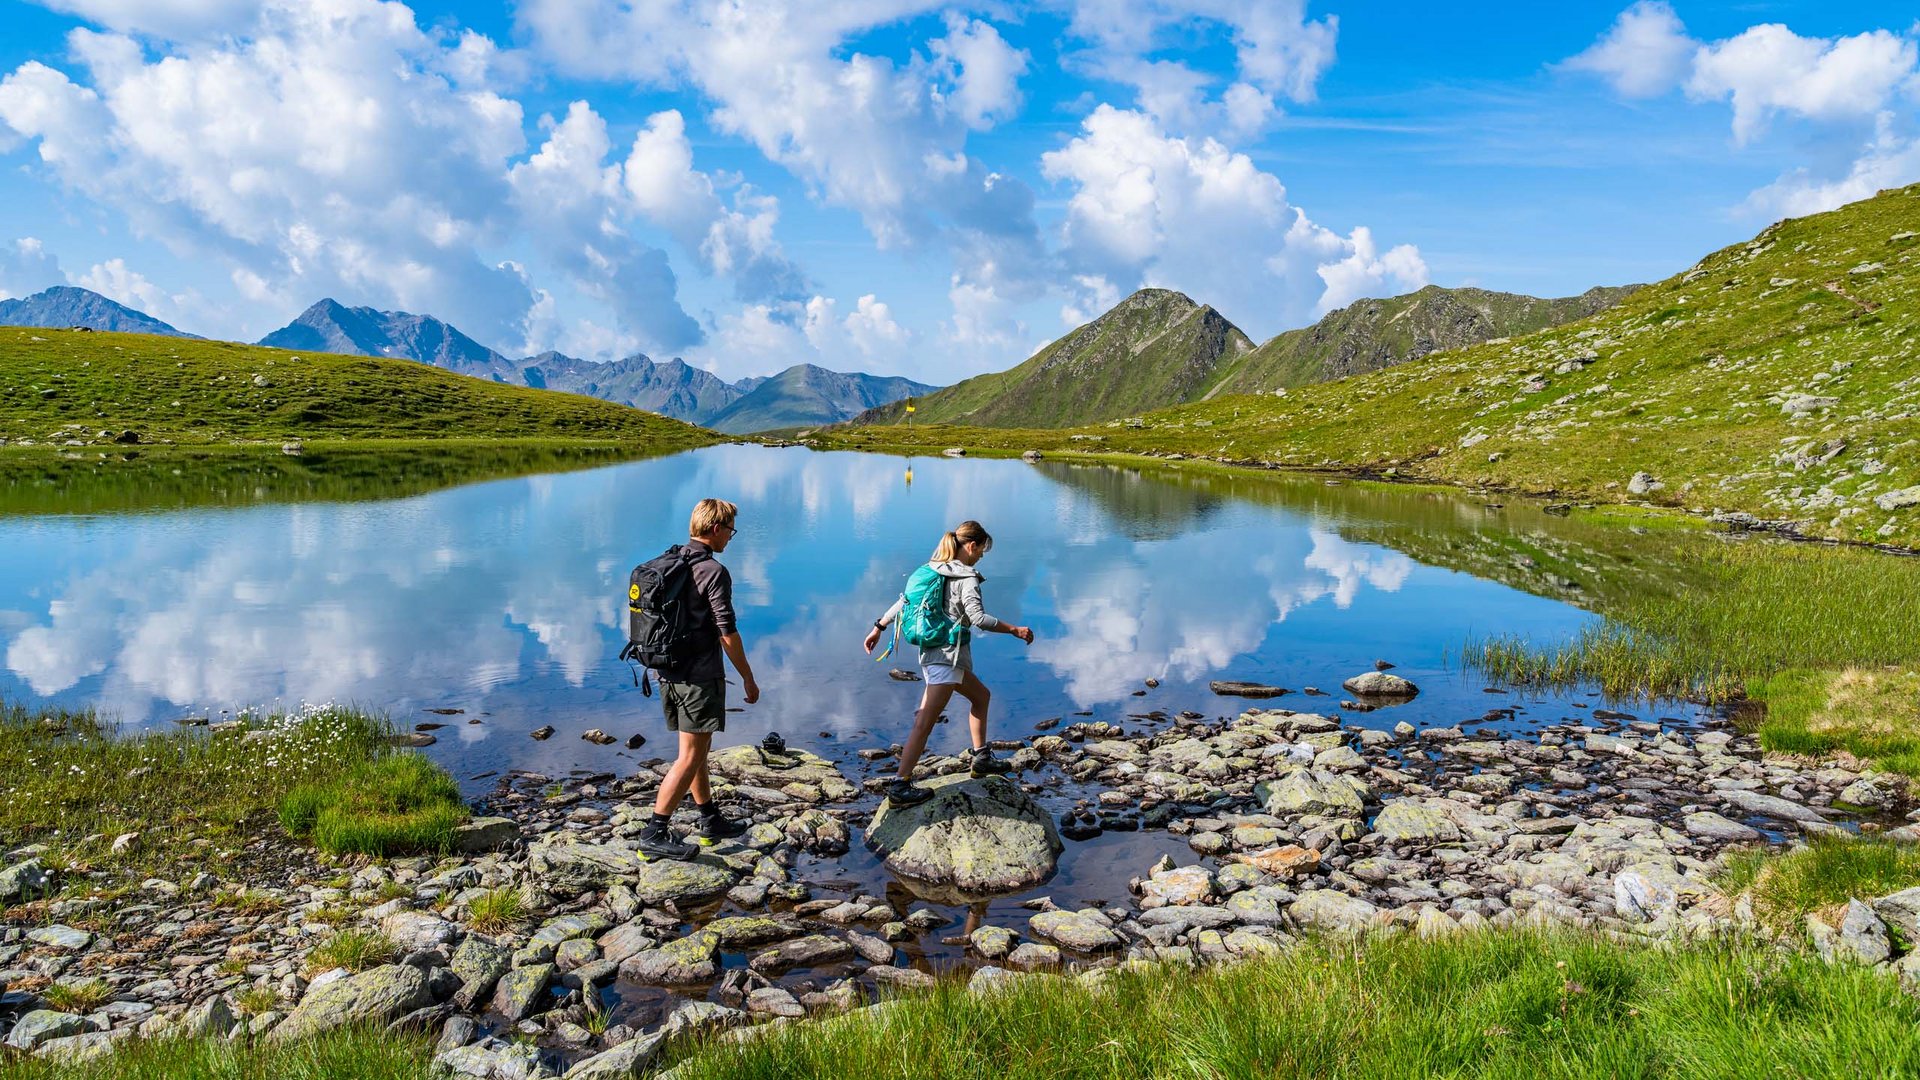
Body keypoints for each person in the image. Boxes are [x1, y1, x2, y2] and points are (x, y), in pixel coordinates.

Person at [864, 520, 1034, 807]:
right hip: (946, 657)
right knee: (924, 721)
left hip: (937, 655)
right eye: (982, 550)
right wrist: (1014, 629)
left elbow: (904, 602)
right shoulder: (965, 577)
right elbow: (978, 618)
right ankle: (899, 786)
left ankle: (981, 758)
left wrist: (879, 627)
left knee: (981, 697)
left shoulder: (931, 569)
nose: (981, 556)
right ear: (971, 545)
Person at [637, 498, 761, 861]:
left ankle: (709, 819)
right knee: (691, 755)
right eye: (730, 530)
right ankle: (654, 831)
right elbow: (727, 632)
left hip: (668, 671)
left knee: (696, 750)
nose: (730, 538)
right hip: (699, 676)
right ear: (716, 529)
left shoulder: (672, 560)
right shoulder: (713, 571)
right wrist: (748, 678)